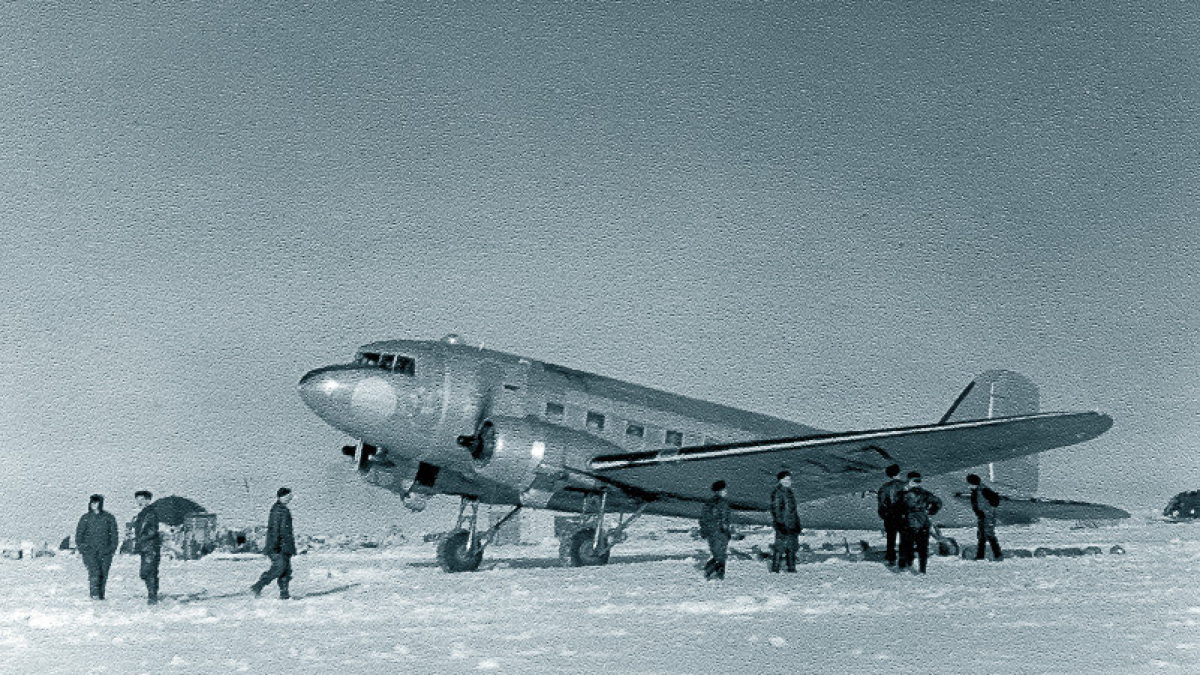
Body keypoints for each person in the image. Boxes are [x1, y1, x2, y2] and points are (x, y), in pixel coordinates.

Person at [251, 487, 296, 599]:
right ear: (282, 496)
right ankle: (258, 585)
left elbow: (287, 531)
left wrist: (291, 547)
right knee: (279, 567)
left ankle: (284, 593)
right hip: (277, 546)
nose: (290, 498)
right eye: (288, 496)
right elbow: (275, 529)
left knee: (286, 570)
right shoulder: (277, 510)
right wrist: (274, 545)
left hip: (285, 546)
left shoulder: (284, 509)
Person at [75, 494, 119, 600]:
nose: (94, 505)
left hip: (105, 552)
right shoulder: (85, 518)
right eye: (92, 503)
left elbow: (114, 535)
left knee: (103, 575)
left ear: (101, 503)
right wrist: (82, 549)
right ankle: (94, 595)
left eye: (96, 502)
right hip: (89, 552)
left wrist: (112, 549)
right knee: (94, 572)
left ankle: (101, 596)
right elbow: (79, 535)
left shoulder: (109, 518)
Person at [897, 472, 942, 574]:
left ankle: (904, 566)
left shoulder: (905, 494)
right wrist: (931, 511)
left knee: (906, 545)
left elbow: (899, 508)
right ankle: (922, 570)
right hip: (924, 523)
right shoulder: (926, 493)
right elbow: (939, 502)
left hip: (909, 523)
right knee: (923, 547)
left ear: (909, 481)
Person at [699, 480, 733, 580]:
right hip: (719, 533)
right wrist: (727, 532)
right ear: (719, 491)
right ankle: (717, 576)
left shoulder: (708, 502)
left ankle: (709, 572)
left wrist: (704, 531)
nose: (726, 491)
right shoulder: (723, 503)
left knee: (717, 554)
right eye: (724, 490)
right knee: (721, 556)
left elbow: (702, 519)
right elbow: (724, 521)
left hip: (711, 532)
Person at [770, 470, 802, 573]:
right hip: (783, 524)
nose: (790, 481)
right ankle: (775, 569)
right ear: (781, 480)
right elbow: (776, 509)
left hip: (791, 523)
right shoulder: (777, 493)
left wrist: (797, 523)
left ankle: (791, 568)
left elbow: (793, 510)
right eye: (787, 479)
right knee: (780, 547)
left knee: (792, 546)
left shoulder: (789, 492)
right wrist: (779, 523)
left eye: (790, 479)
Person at [132, 490, 161, 604]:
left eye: (142, 499)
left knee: (149, 572)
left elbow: (152, 530)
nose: (139, 502)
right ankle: (152, 594)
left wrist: (141, 538)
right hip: (145, 547)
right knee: (145, 573)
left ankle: (152, 596)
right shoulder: (142, 514)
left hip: (151, 547)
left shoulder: (151, 513)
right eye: (137, 499)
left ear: (148, 500)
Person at [967, 473, 1003, 561]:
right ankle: (981, 556)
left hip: (988, 515)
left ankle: (997, 555)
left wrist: (987, 510)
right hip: (983, 515)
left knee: (989, 534)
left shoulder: (983, 490)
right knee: (982, 536)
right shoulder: (977, 490)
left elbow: (994, 501)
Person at [876, 464, 906, 567]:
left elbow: (881, 504)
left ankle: (891, 558)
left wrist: (885, 515)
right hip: (903, 516)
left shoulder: (884, 488)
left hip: (890, 516)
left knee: (890, 538)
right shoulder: (905, 486)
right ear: (898, 473)